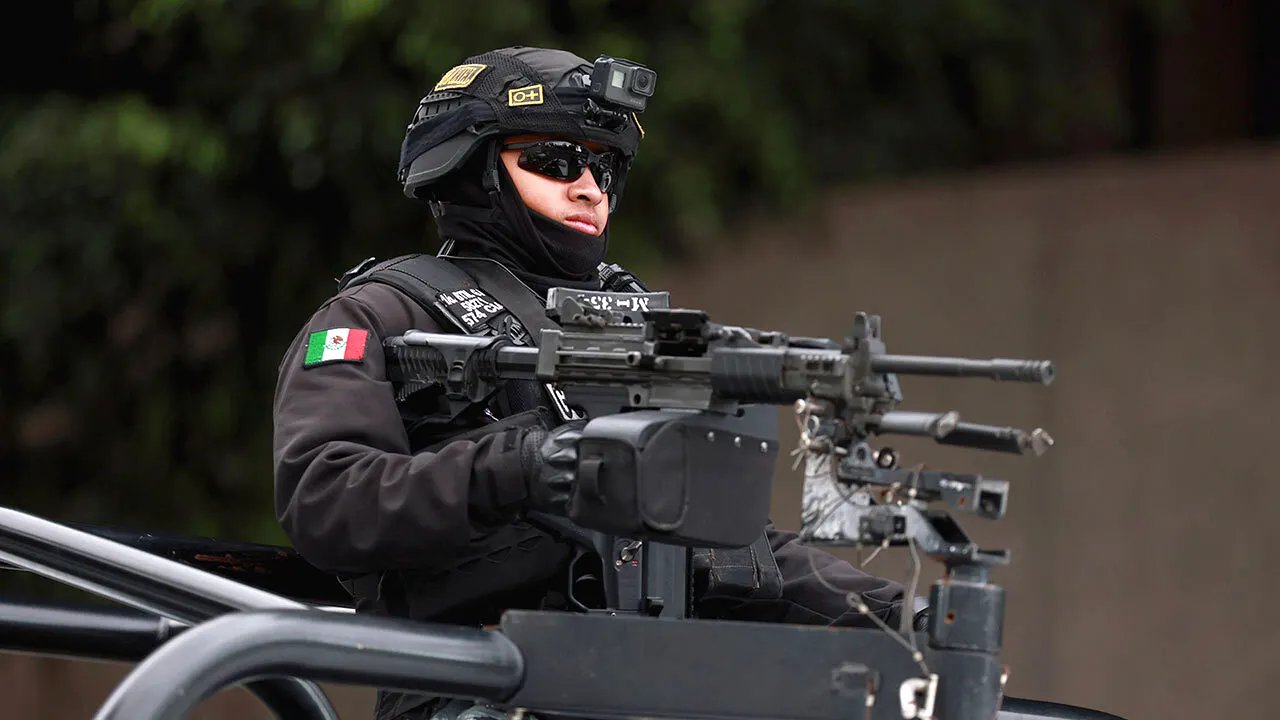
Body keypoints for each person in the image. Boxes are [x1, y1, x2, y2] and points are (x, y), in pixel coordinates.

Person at [273, 46, 919, 720]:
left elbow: (737, 547)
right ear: (471, 167)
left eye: (603, 168)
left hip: (647, 691)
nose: (589, 188)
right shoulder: (380, 315)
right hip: (475, 689)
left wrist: (904, 618)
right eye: (556, 161)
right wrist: (518, 467)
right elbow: (323, 497)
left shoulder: (634, 327)